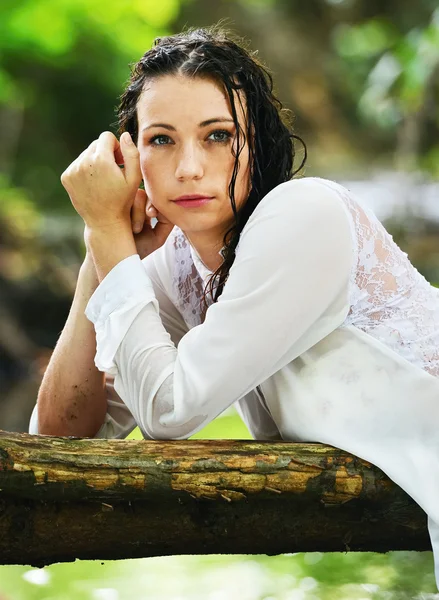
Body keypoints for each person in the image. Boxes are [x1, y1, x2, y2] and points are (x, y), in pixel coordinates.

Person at [29, 25, 439, 587]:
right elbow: (61, 443)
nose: (190, 167)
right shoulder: (178, 267)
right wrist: (97, 254)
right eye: (162, 140)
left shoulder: (303, 213)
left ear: (260, 142)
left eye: (218, 136)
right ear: (129, 159)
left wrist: (109, 237)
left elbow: (169, 414)